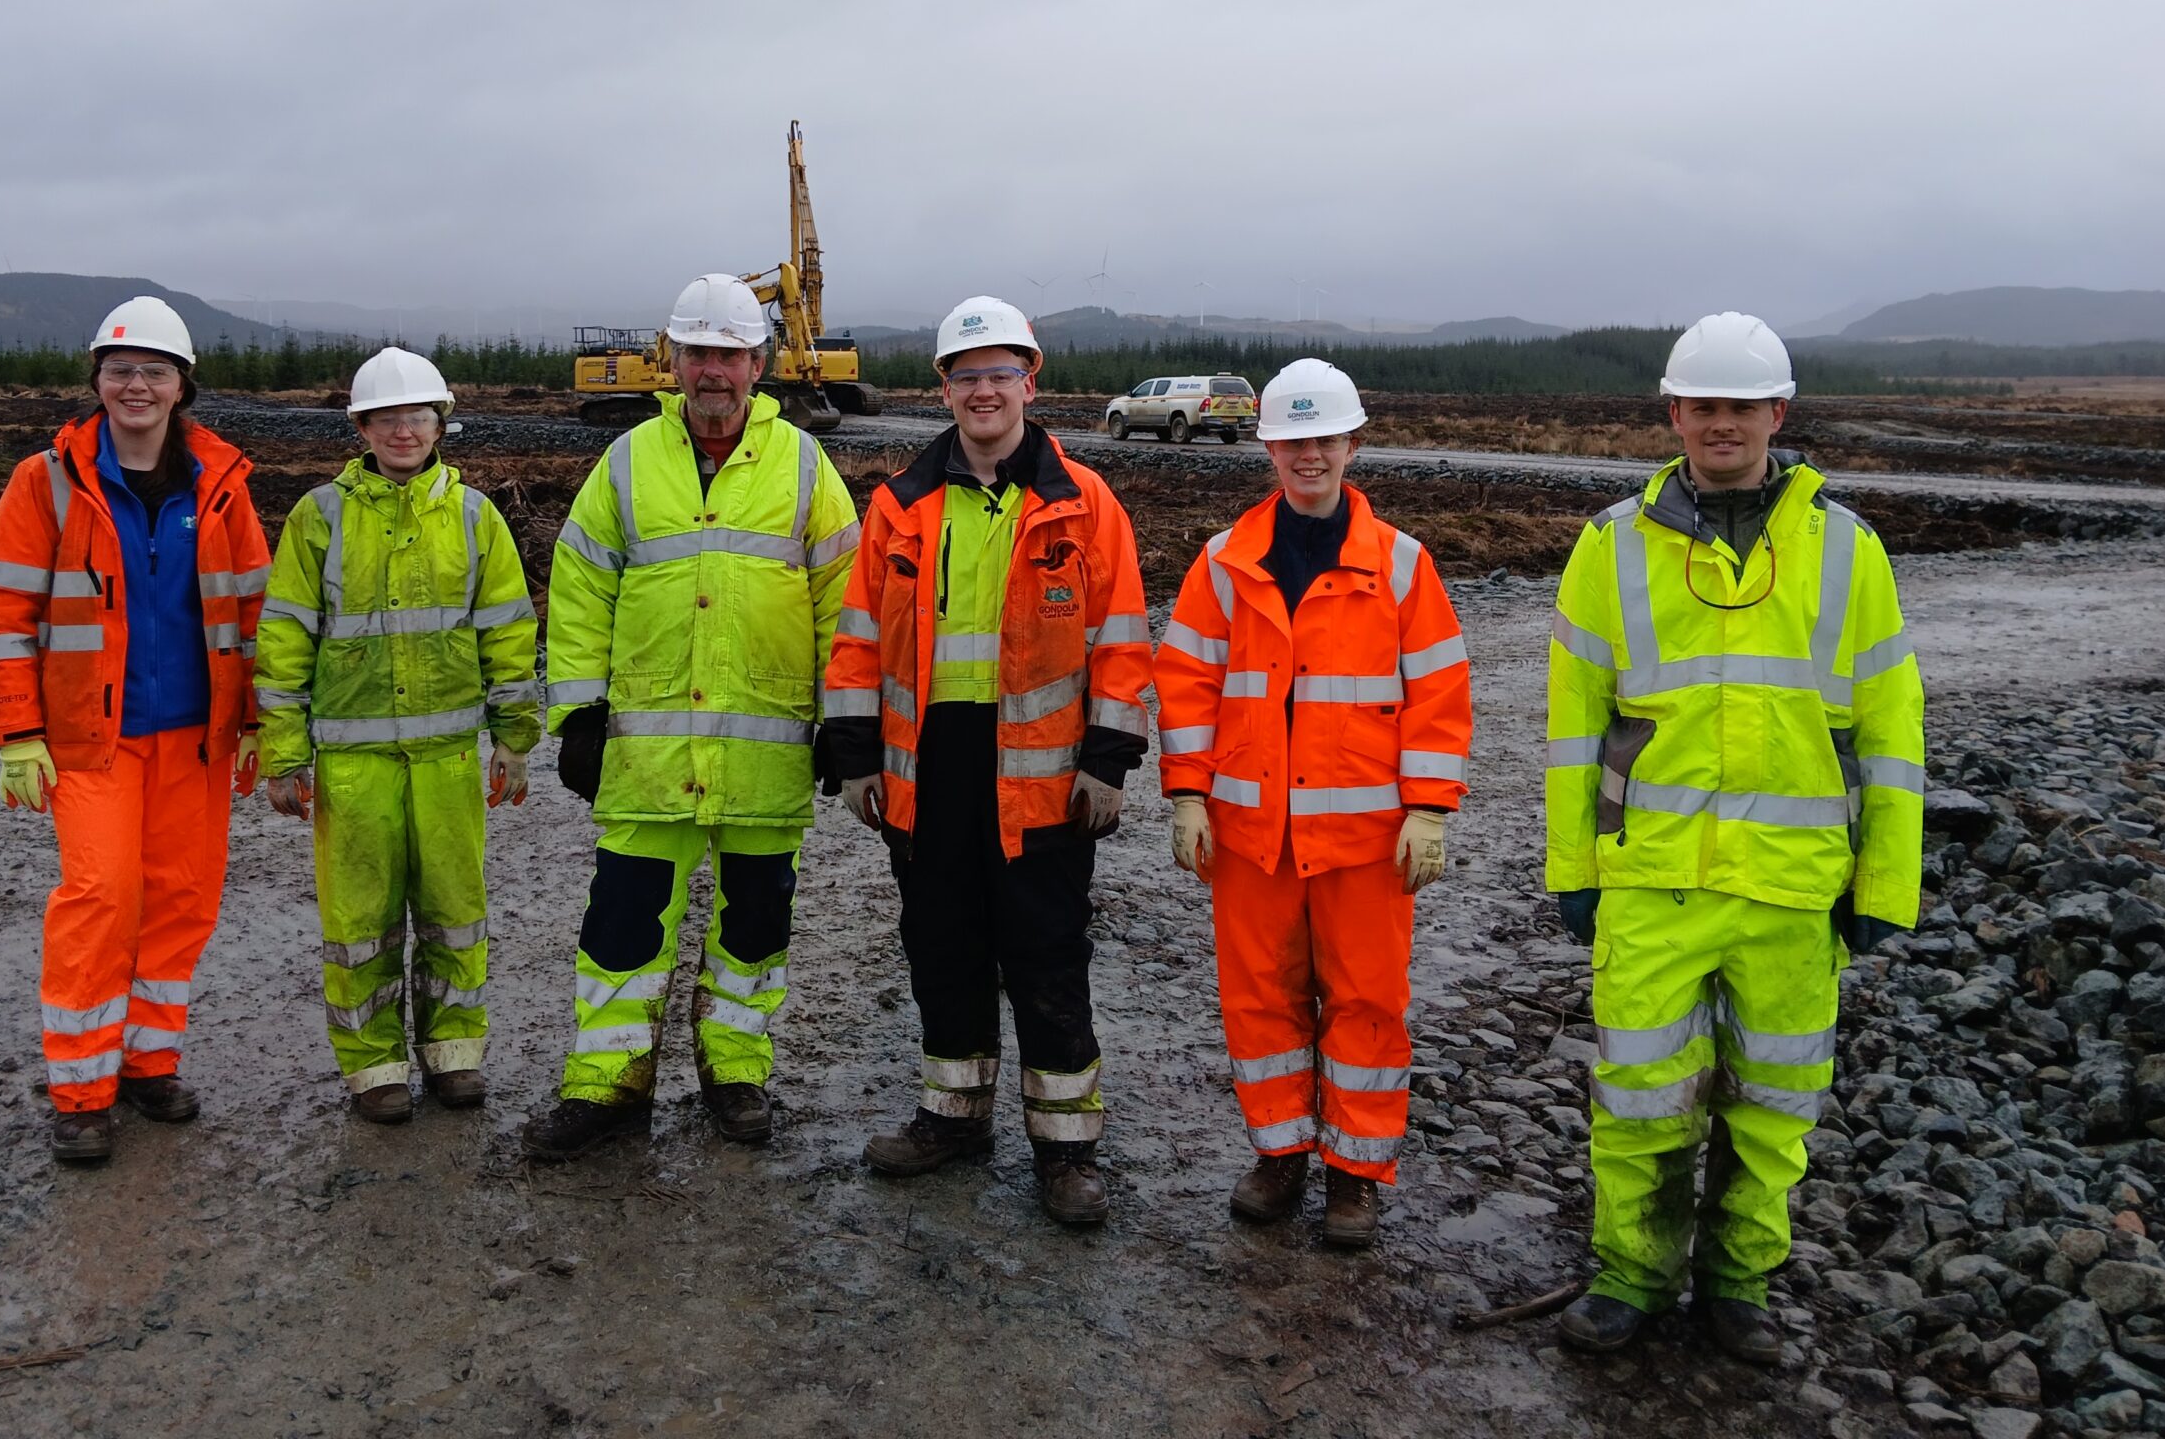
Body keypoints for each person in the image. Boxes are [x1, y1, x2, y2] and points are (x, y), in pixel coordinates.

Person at [1546, 312, 1924, 1363]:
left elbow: (1892, 735)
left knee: (1771, 1105)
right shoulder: (1610, 547)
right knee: (1640, 1098)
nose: (1722, 424)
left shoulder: (1846, 550)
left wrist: (1885, 886)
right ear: (1673, 413)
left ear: (1777, 413)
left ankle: (1738, 1287)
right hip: (1654, 882)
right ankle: (1632, 1275)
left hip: (1794, 892)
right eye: (1703, 405)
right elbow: (1573, 730)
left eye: (1740, 406)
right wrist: (1572, 868)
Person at [820, 296, 1153, 1228]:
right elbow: (857, 641)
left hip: (1044, 780)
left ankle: (1067, 1148)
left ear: (1029, 382)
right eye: (966, 376)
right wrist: (855, 758)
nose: (984, 392)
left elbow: (1122, 641)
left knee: (1047, 954)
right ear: (945, 390)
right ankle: (953, 1115)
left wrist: (1109, 762)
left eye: (1000, 374)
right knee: (942, 946)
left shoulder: (1084, 504)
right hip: (929, 773)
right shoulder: (899, 505)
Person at [524, 274, 859, 1157]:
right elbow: (582, 589)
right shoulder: (628, 462)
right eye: (699, 353)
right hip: (644, 757)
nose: (714, 371)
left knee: (754, 925)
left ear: (760, 364)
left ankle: (736, 1073)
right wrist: (579, 713)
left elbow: (845, 603)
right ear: (674, 362)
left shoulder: (803, 468)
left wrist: (846, 718)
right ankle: (607, 1084)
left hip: (765, 753)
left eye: (731, 355)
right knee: (622, 925)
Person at [1152, 358, 1471, 1246]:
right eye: (1293, 442)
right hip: (1251, 834)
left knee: (1368, 999)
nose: (1309, 457)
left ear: (1352, 445)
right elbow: (1184, 685)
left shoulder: (1403, 567)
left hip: (1366, 839)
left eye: (1324, 439)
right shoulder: (1224, 564)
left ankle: (1356, 1175)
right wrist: (1187, 795)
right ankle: (1281, 1153)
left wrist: (1429, 808)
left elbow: (1439, 694)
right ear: (1269, 450)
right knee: (1259, 998)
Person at [0, 296, 272, 1165]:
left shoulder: (221, 487)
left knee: (181, 899)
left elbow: (255, 612)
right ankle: (81, 1090)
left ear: (183, 387)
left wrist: (256, 718)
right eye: (120, 370)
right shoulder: (49, 480)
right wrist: (18, 732)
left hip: (195, 737)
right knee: (100, 899)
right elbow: (4, 610)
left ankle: (148, 1063)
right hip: (88, 741)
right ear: (96, 381)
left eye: (155, 371)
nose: (136, 385)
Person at [254, 347, 540, 1122]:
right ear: (361, 426)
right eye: (387, 416)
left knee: (455, 908)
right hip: (353, 765)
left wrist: (515, 738)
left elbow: (509, 634)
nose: (403, 430)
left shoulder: (475, 517)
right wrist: (283, 751)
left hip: (448, 759)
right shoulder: (320, 517)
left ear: (440, 422)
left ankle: (454, 1055)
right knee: (359, 923)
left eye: (417, 415)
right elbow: (284, 640)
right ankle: (374, 1067)